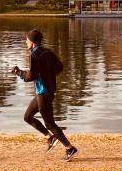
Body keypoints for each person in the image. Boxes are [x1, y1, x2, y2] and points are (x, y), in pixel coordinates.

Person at [11, 29, 78, 162]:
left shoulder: (34, 55)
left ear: (33, 42)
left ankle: (70, 148)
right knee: (27, 117)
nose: (26, 42)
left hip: (44, 94)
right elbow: (59, 67)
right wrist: (49, 76)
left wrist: (19, 72)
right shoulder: (48, 51)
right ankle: (50, 137)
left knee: (50, 123)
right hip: (45, 92)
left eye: (27, 40)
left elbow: (31, 76)